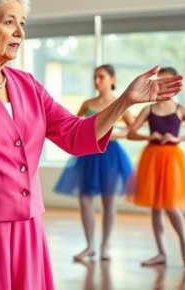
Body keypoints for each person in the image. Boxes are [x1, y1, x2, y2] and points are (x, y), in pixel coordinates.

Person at [0, 0, 183, 290]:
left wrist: (125, 99)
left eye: (22, 23)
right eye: (9, 22)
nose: (20, 32)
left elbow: (75, 134)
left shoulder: (27, 84)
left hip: (26, 227)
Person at [53, 64, 134, 261]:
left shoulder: (119, 103)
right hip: (88, 155)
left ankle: (105, 246)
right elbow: (75, 124)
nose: (97, 81)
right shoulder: (88, 103)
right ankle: (90, 245)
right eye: (95, 77)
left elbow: (132, 129)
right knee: (85, 199)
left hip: (110, 155)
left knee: (109, 200)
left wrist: (115, 134)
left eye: (101, 77)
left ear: (112, 80)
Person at [126, 67, 185, 268]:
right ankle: (160, 252)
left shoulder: (180, 109)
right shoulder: (149, 109)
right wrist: (148, 136)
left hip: (172, 159)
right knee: (155, 207)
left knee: (171, 205)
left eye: (168, 82)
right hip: (152, 157)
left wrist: (178, 138)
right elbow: (131, 133)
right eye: (160, 82)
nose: (164, 86)